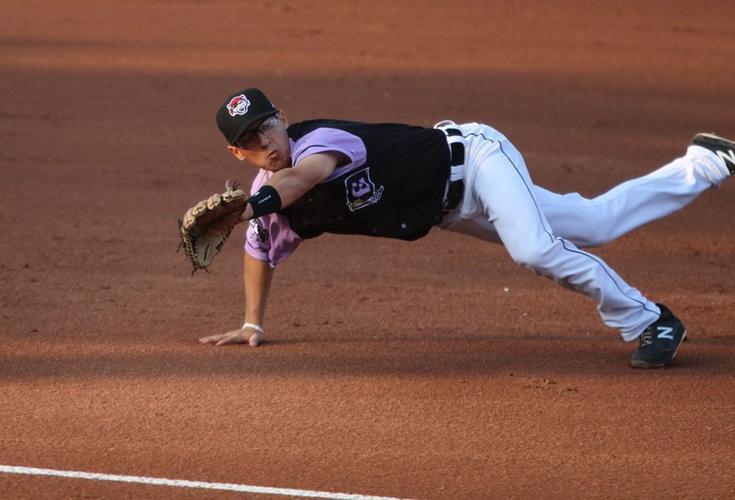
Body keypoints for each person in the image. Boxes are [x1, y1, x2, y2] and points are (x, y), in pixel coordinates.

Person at [198, 87, 735, 369]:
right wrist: (253, 323)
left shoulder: (319, 142)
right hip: (452, 209)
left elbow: (303, 179)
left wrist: (251, 205)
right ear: (235, 151)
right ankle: (706, 162)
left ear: (282, 117)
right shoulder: (267, 204)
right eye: (250, 138)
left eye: (267, 124)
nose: (265, 140)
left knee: (533, 250)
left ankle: (649, 320)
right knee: (593, 222)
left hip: (476, 159)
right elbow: (260, 250)